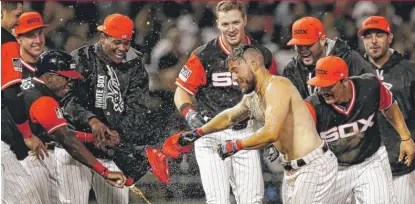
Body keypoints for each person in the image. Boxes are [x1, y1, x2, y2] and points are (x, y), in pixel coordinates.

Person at [164, 44, 338, 204]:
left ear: (253, 65)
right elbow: (229, 117)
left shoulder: (276, 86)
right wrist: (198, 133)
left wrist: (235, 145)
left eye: (235, 70)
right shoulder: (254, 97)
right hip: (293, 170)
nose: (233, 77)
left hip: (313, 166)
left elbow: (271, 133)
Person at [172, 1, 277, 203]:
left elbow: (271, 97)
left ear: (245, 20)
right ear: (217, 24)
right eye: (225, 24)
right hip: (211, 133)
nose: (231, 29)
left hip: (246, 133)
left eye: (236, 22)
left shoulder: (262, 54)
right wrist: (189, 113)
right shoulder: (203, 55)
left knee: (253, 200)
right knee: (218, 200)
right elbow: (181, 92)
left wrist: (272, 134)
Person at [61, 13, 168, 204]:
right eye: (117, 42)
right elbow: (67, 99)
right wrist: (92, 121)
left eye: (126, 44)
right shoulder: (81, 58)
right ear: (103, 38)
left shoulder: (135, 65)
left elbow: (138, 109)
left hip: (111, 151)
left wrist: (118, 133)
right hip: (77, 148)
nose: (122, 48)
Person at [305, 56, 415, 204]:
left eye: (329, 85)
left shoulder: (370, 86)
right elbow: (299, 140)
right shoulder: (312, 106)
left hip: (369, 162)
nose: (323, 90)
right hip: (333, 170)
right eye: (320, 85)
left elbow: (389, 105)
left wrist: (405, 137)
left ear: (344, 81)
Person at [20, 50, 126, 189]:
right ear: (50, 77)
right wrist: (105, 172)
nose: (70, 83)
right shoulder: (43, 99)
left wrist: (91, 138)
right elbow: (66, 139)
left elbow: (55, 134)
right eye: (66, 78)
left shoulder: (31, 86)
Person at [359, 16, 415, 204]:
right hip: (364, 168)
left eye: (379, 35)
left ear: (390, 37)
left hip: (403, 165)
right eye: (367, 36)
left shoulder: (410, 71)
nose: (373, 41)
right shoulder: (354, 72)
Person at [13, 11, 62, 204]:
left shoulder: (54, 65)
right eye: (30, 35)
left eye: (40, 33)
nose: (38, 40)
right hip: (22, 155)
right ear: (18, 38)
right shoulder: (9, 69)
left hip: (54, 152)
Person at [1, 2, 44, 203]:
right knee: (27, 198)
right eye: (17, 15)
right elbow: (11, 93)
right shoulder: (6, 41)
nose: (18, 21)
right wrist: (27, 135)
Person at [282, 16, 372, 99]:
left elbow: (372, 93)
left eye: (308, 45)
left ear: (322, 40)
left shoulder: (349, 59)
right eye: (299, 45)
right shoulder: (292, 69)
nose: (303, 50)